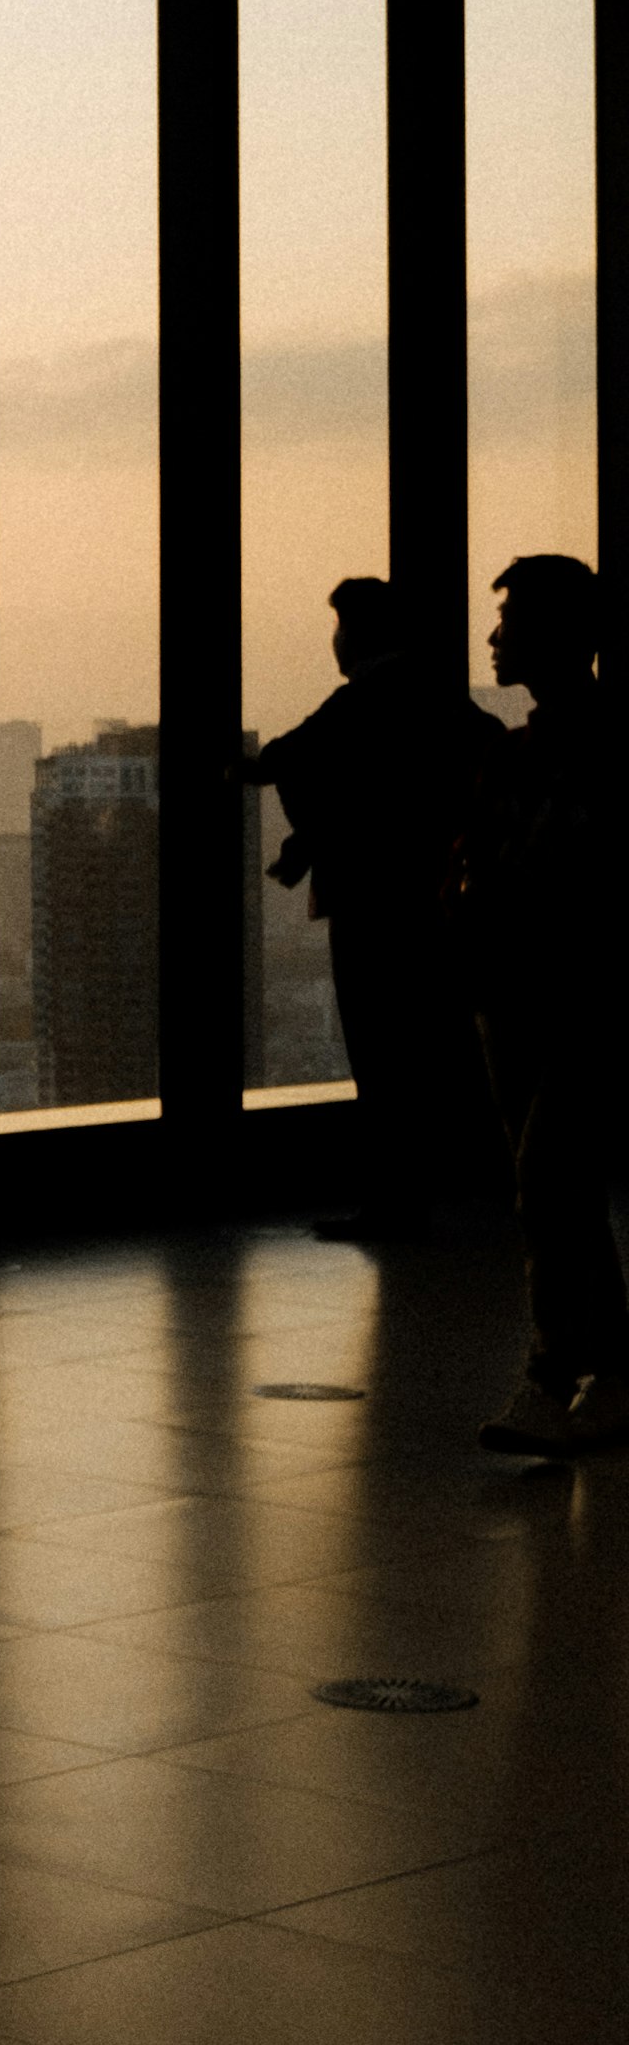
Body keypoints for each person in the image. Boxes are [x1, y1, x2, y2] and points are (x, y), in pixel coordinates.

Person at [251, 576, 495, 1240]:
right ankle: (466, 1187)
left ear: (355, 633)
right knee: (433, 1048)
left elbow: (280, 760)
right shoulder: (441, 702)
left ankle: (395, 1203)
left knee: (381, 1056)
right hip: (437, 903)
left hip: (370, 906)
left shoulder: (357, 703)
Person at [459, 551, 624, 1457]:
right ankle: (610, 1373)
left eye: (512, 620)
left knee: (548, 1179)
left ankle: (554, 1373)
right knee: (562, 1188)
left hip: (567, 997)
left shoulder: (553, 755)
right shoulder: (523, 752)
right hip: (529, 993)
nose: (495, 636)